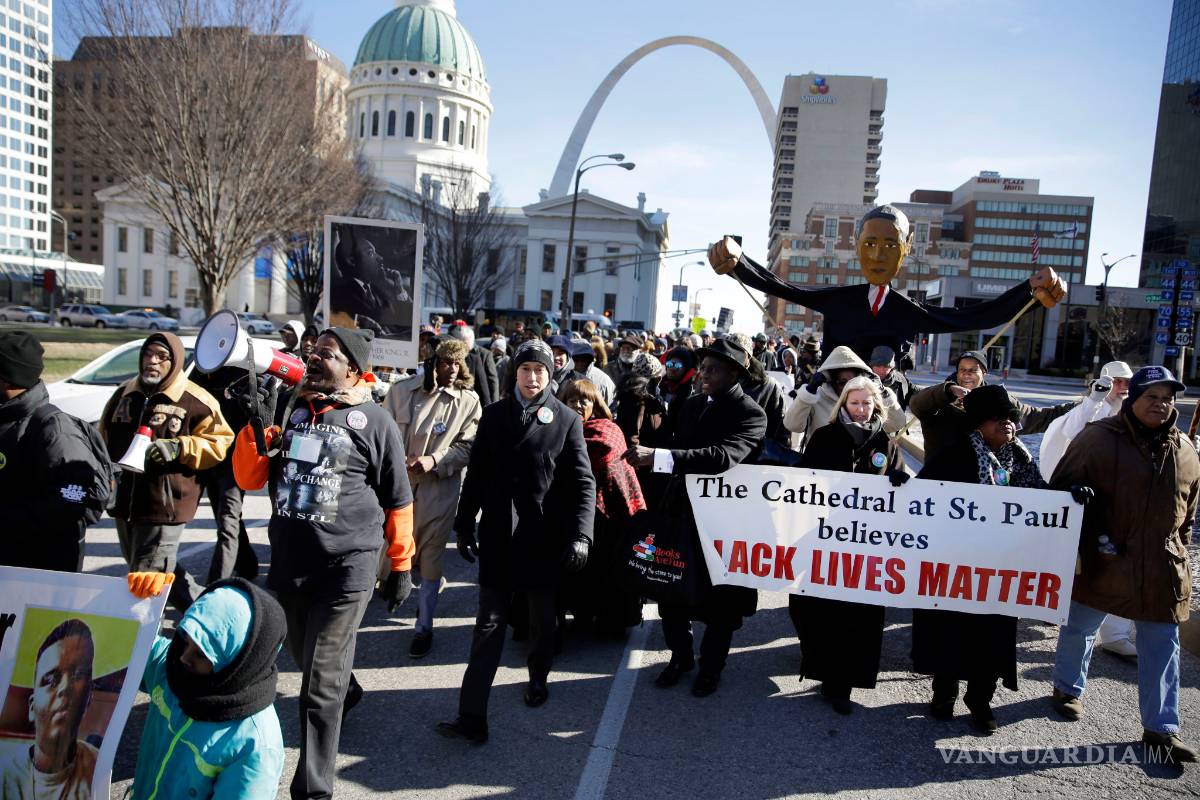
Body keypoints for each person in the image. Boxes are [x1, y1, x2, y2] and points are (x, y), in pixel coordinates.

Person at [233, 327, 415, 799]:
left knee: (317, 686)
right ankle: (345, 689)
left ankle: (313, 790)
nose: (314, 360)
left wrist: (401, 564)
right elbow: (251, 477)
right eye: (313, 353)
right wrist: (251, 429)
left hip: (346, 569)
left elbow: (398, 499)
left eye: (327, 355)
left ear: (353, 369)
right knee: (305, 657)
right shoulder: (295, 409)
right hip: (291, 563)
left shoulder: (374, 422)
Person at [437, 339, 595, 743]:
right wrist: (464, 522)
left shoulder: (565, 420)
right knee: (488, 626)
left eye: (540, 370)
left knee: (542, 622)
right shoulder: (492, 416)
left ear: (550, 374)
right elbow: (478, 474)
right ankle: (471, 716)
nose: (532, 377)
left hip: (542, 538)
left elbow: (582, 482)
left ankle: (538, 678)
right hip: (498, 539)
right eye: (526, 370)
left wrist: (581, 535)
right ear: (515, 373)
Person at [1048, 365, 1200, 763]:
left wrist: (1180, 554)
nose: (1161, 405)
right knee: (1080, 626)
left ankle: (1161, 729)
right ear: (1133, 399)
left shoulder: (1185, 450)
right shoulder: (1098, 438)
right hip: (1106, 557)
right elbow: (1058, 491)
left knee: (1163, 644)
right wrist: (1076, 501)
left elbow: (1188, 514)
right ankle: (1066, 687)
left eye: (1167, 398)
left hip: (1162, 566)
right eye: (1152, 396)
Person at [708, 204, 1068, 365]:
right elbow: (784, 288)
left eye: (891, 245)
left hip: (885, 405)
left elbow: (972, 318)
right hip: (832, 397)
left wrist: (1031, 294)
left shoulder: (908, 311)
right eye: (870, 244)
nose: (879, 255)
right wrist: (739, 262)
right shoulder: (839, 300)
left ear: (907, 249)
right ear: (855, 246)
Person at [912, 384, 1066, 733]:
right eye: (998, 419)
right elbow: (920, 497)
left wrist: (1070, 498)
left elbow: (1043, 502)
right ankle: (944, 693)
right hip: (957, 565)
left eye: (1011, 418)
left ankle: (980, 700)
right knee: (951, 631)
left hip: (1002, 568)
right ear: (979, 423)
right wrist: (898, 485)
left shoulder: (1022, 460)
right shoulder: (956, 454)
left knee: (992, 636)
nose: (1007, 424)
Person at [624, 338, 767, 697]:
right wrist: (642, 407)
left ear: (734, 372)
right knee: (670, 589)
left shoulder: (750, 413)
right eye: (702, 367)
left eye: (713, 369)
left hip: (726, 523)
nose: (703, 374)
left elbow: (722, 456)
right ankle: (680, 657)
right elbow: (665, 442)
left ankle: (711, 667)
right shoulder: (688, 406)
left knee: (721, 603)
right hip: (681, 514)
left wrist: (659, 456)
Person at [792, 376, 908, 714]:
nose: (860, 409)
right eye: (854, 403)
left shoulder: (886, 444)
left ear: (876, 406)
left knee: (858, 617)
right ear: (843, 404)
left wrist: (900, 481)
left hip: (866, 546)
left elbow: (900, 495)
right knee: (815, 610)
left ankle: (841, 683)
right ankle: (820, 664)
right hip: (825, 539)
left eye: (866, 403)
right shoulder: (825, 438)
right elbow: (804, 486)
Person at [99, 332, 233, 611]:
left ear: (175, 362)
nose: (153, 362)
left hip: (165, 504)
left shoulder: (196, 400)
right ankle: (209, 614)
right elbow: (102, 438)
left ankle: (146, 643)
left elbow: (221, 442)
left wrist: (179, 447)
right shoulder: (124, 394)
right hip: (124, 503)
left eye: (162, 357)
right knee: (149, 567)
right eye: (148, 354)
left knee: (146, 577)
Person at [126, 574, 286, 800]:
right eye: (185, 640)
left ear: (238, 662)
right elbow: (118, 645)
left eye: (201, 654)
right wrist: (135, 602)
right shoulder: (172, 668)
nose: (184, 657)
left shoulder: (255, 743)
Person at [383, 339, 482, 658]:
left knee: (431, 558)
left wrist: (436, 460)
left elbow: (469, 446)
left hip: (439, 491)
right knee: (394, 553)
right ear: (432, 362)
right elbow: (381, 436)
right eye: (445, 363)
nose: (451, 369)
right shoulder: (400, 391)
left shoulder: (468, 401)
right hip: (398, 487)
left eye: (457, 364)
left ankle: (423, 626)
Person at [1037, 360, 1137, 659]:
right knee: (1066, 559)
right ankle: (1051, 605)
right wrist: (1095, 399)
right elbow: (1075, 430)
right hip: (1075, 498)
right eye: (1116, 381)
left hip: (1115, 503)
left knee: (1120, 561)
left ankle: (1116, 634)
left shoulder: (1132, 415)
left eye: (1126, 382)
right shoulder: (1084, 411)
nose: (1121, 388)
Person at [0, 330, 112, 573]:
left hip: (37, 573)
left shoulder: (54, 429)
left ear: (8, 378)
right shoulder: (5, 419)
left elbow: (74, 506)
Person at [559, 379, 647, 635]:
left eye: (584, 400)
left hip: (611, 516)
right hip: (574, 514)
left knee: (610, 572)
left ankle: (614, 621)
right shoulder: (556, 430)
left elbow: (615, 472)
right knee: (580, 573)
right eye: (572, 400)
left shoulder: (608, 430)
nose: (578, 405)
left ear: (595, 404)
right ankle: (582, 615)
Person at [910, 350, 1077, 461]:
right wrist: (949, 390)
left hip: (986, 483)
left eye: (973, 370)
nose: (966, 374)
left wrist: (1086, 404)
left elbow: (1039, 418)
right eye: (962, 369)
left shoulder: (1000, 401)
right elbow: (917, 403)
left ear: (983, 372)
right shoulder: (941, 398)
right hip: (941, 480)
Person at [0, 619, 97, 799]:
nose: (64, 689)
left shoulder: (98, 765)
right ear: (31, 706)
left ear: (89, 698)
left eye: (78, 675)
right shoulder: (4, 774)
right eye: (51, 680)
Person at [188, 365, 263, 584]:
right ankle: (247, 564)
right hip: (211, 460)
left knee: (228, 521)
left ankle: (215, 584)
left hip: (234, 461)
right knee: (228, 520)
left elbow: (256, 413)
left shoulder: (240, 374)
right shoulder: (200, 374)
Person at [784, 345, 904, 452]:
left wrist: (883, 394)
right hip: (823, 466)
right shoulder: (818, 398)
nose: (848, 386)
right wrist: (807, 395)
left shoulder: (867, 400)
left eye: (852, 381)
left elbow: (895, 425)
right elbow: (792, 425)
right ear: (831, 382)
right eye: (842, 382)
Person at [729, 333, 788, 445]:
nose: (733, 358)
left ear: (748, 357)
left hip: (753, 454)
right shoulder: (716, 379)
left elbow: (780, 427)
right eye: (729, 353)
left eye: (738, 353)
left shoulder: (770, 386)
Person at [614, 351, 666, 449]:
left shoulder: (638, 394)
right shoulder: (637, 399)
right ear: (656, 378)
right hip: (642, 459)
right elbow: (632, 437)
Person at [449, 323, 499, 407]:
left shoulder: (483, 355)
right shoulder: (455, 356)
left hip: (473, 401)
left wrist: (493, 404)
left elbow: (492, 380)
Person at [570, 339, 616, 408]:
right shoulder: (560, 377)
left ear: (591, 359)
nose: (580, 363)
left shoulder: (603, 381)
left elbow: (612, 408)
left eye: (585, 358)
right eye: (576, 359)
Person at [868, 345, 914, 411]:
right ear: (871, 366)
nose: (881, 370)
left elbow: (916, 393)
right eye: (878, 366)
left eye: (886, 366)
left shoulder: (900, 380)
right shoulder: (862, 381)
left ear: (892, 367)